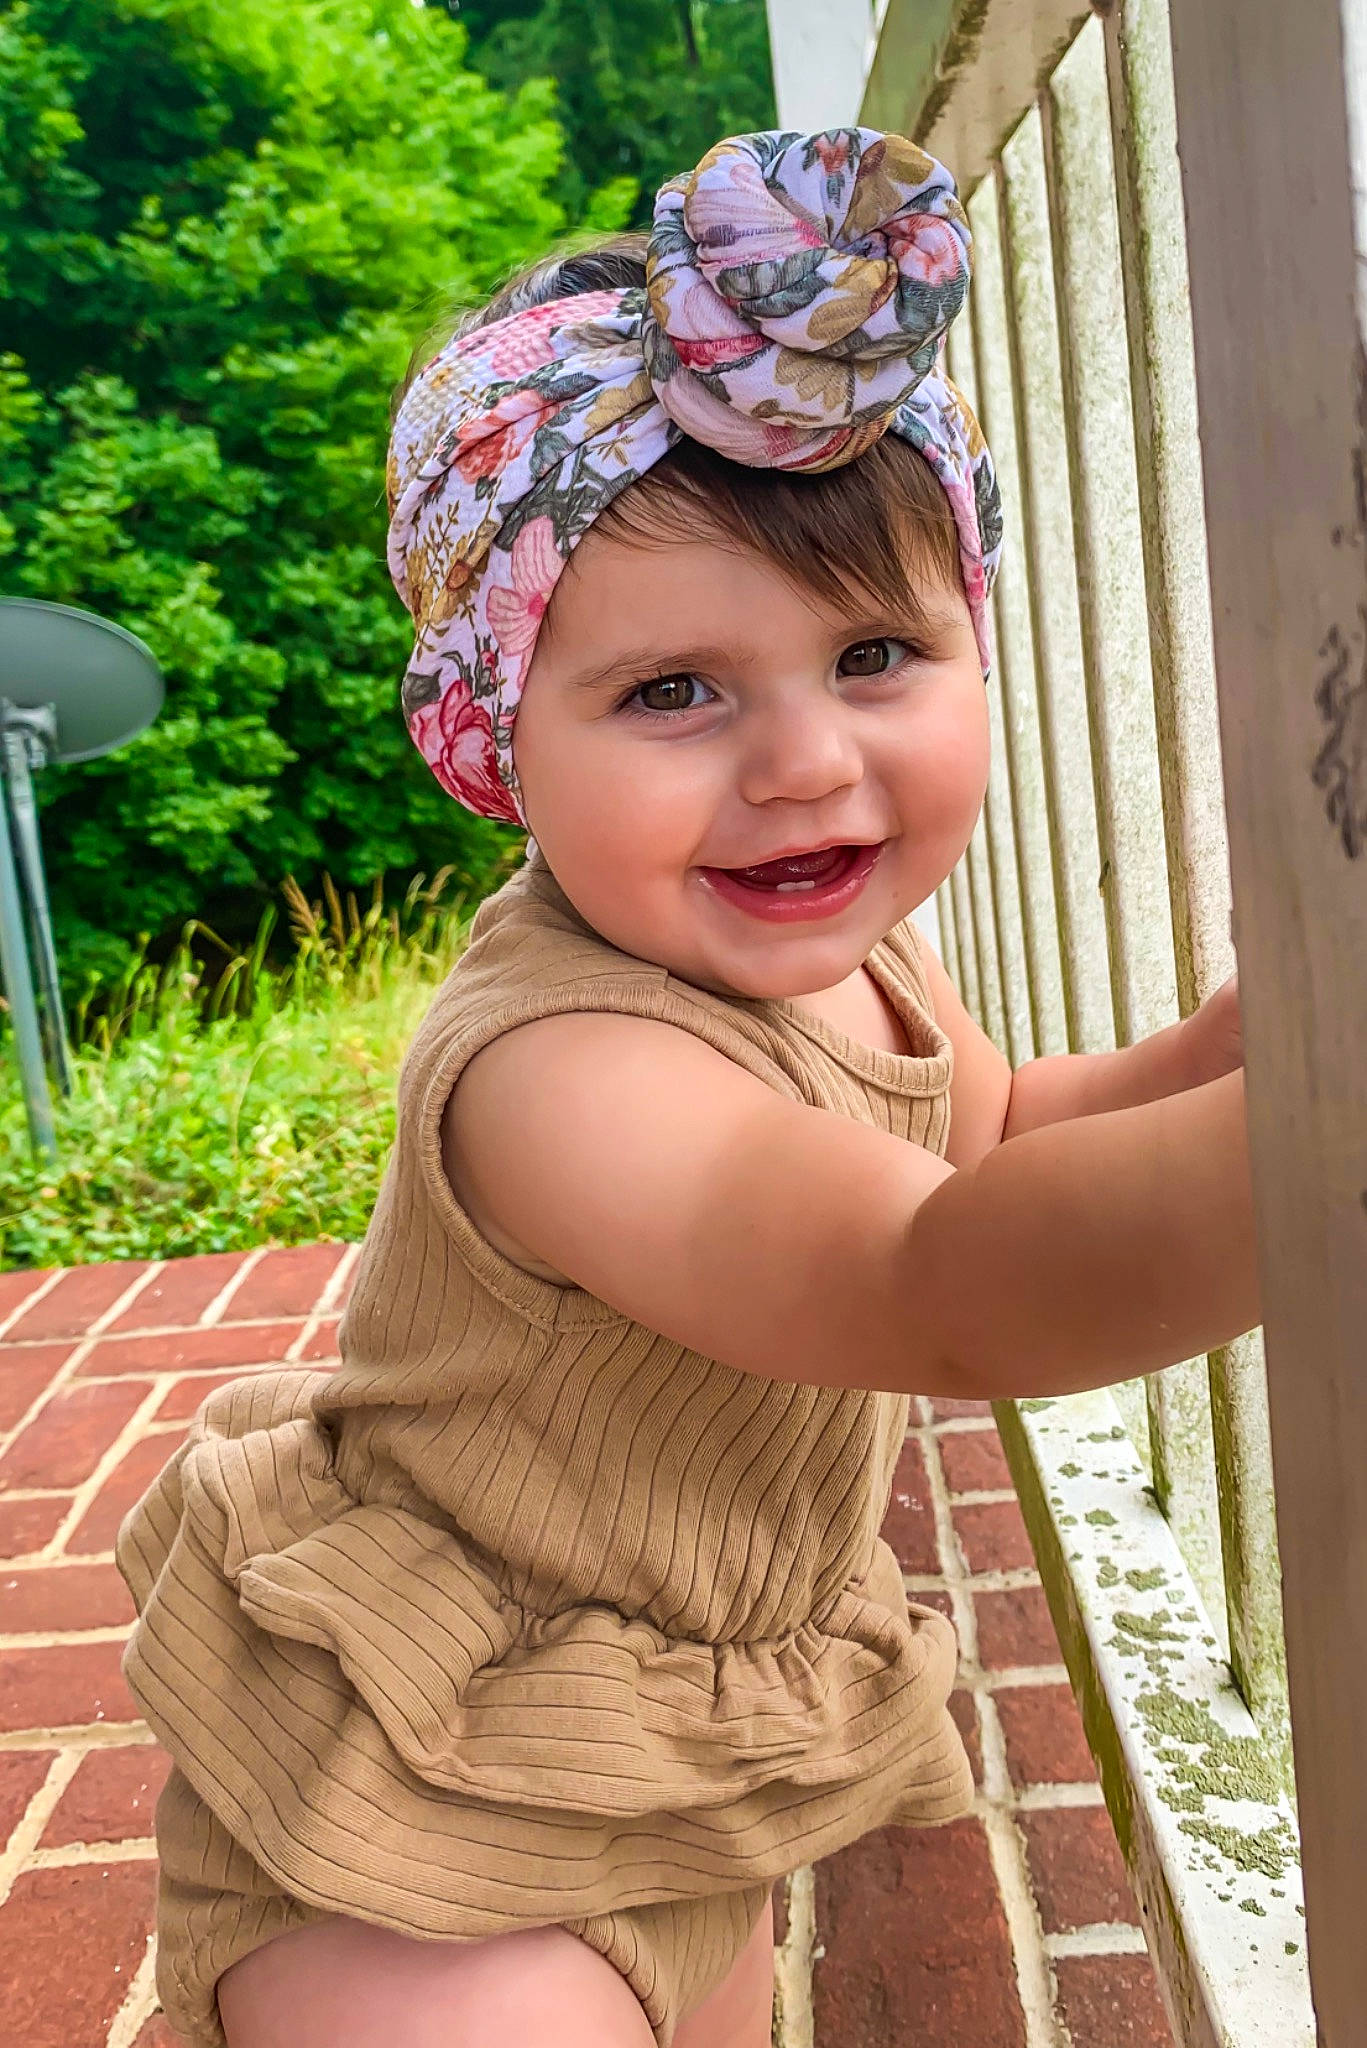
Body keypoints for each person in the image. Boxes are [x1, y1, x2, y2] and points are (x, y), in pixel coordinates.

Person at [116, 127, 1257, 2048]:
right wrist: (1315, 1152)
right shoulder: (569, 1072)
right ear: (496, 741)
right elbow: (945, 1286)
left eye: (877, 652)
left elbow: (1015, 1131)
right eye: (674, 693)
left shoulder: (855, 962)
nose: (807, 763)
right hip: (422, 1802)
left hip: (669, 1765)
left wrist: (1259, 1043)